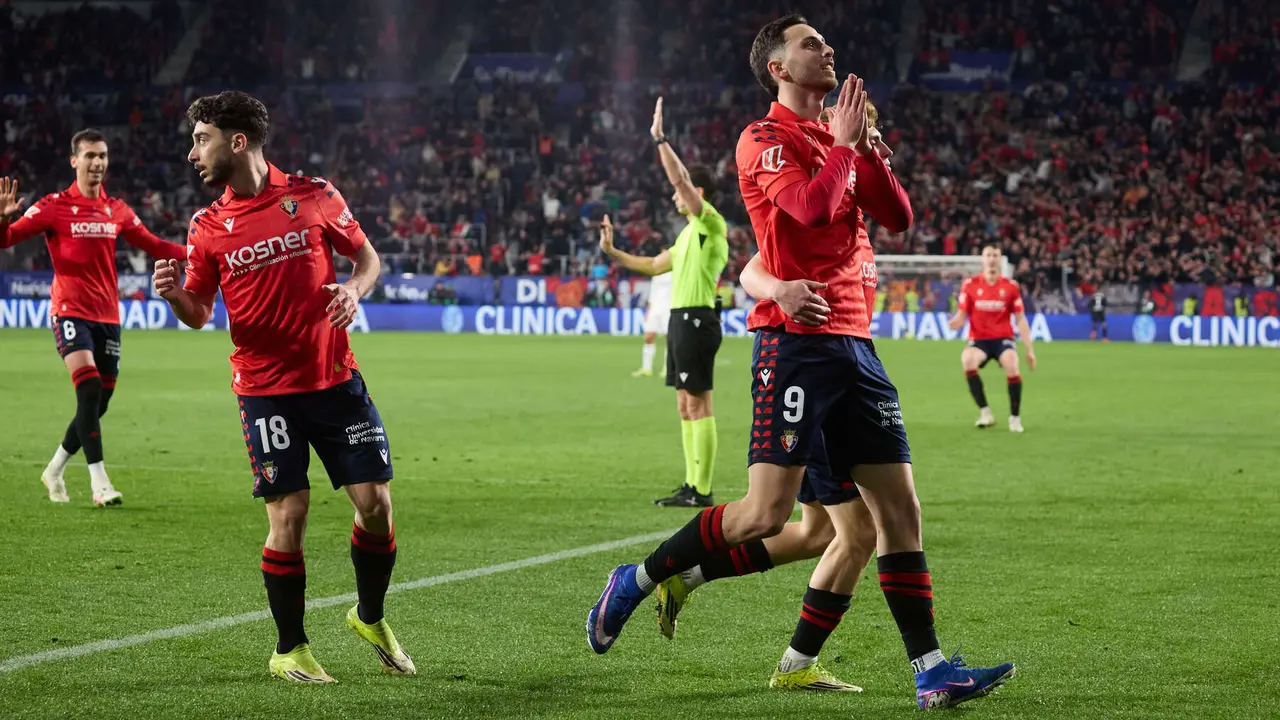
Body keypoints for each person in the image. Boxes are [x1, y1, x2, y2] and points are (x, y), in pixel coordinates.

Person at [587, 15, 1014, 710]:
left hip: (857, 346)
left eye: (826, 42)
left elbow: (898, 216)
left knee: (897, 514)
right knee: (767, 513)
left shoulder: (833, 138)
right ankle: (635, 580)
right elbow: (812, 213)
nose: (828, 50)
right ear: (779, 68)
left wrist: (865, 151)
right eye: (811, 44)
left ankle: (931, 669)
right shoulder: (764, 139)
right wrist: (844, 150)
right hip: (795, 348)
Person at [152, 91, 413, 683]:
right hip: (265, 392)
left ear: (236, 141)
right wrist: (173, 294)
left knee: (376, 507)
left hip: (335, 379)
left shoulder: (314, 196)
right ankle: (289, 648)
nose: (194, 150)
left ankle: (369, 616)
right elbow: (197, 311)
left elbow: (367, 259)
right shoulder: (206, 225)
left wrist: (353, 291)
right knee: (288, 514)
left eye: (202, 138)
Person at [654, 110, 899, 692]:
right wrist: (779, 290)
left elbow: (896, 212)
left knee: (826, 533)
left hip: (838, 369)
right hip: (806, 369)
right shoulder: (790, 219)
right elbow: (754, 269)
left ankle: (692, 580)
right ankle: (663, 574)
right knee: (840, 529)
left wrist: (873, 163)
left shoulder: (849, 220)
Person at [0, 129, 188, 507]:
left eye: (102, 156)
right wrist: (2, 220)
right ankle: (100, 483)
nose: (97, 163)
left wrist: (202, 251)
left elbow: (154, 245)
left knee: (97, 404)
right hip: (69, 310)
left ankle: (54, 468)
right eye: (90, 156)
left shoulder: (117, 209)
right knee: (87, 389)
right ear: (75, 161)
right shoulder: (52, 206)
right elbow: (6, 241)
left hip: (108, 316)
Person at [599, 97, 729, 508]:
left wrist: (661, 140)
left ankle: (702, 489)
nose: (675, 197)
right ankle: (691, 484)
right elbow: (656, 265)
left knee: (698, 401)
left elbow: (681, 183)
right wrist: (614, 253)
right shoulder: (686, 235)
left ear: (699, 192)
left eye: (685, 192)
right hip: (680, 319)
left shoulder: (709, 223)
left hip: (697, 319)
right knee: (683, 403)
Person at [948, 244, 1037, 433]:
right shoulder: (970, 284)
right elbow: (963, 314)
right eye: (988, 255)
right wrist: (957, 320)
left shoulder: (1010, 287)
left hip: (1003, 339)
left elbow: (1020, 319)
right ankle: (985, 412)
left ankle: (1015, 418)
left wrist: (1029, 350)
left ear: (1000, 259)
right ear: (982, 259)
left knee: (1012, 364)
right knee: (967, 359)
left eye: (995, 255)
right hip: (979, 340)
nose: (992, 259)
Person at [633, 271, 671, 378]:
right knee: (648, 337)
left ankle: (668, 368)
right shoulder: (657, 270)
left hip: (669, 307)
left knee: (669, 339)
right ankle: (646, 368)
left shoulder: (676, 268)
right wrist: (648, 310)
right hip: (655, 308)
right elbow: (653, 292)